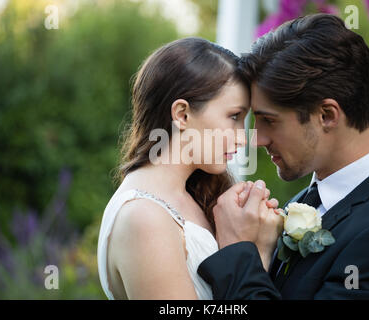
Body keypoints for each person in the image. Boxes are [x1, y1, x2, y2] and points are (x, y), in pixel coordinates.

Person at [197, 13, 369, 299]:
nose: (257, 139)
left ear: (326, 115)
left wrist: (239, 253)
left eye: (269, 120)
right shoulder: (305, 202)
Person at [97, 37, 281, 300]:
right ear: (182, 114)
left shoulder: (197, 195)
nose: (242, 138)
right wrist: (255, 251)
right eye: (234, 117)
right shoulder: (143, 219)